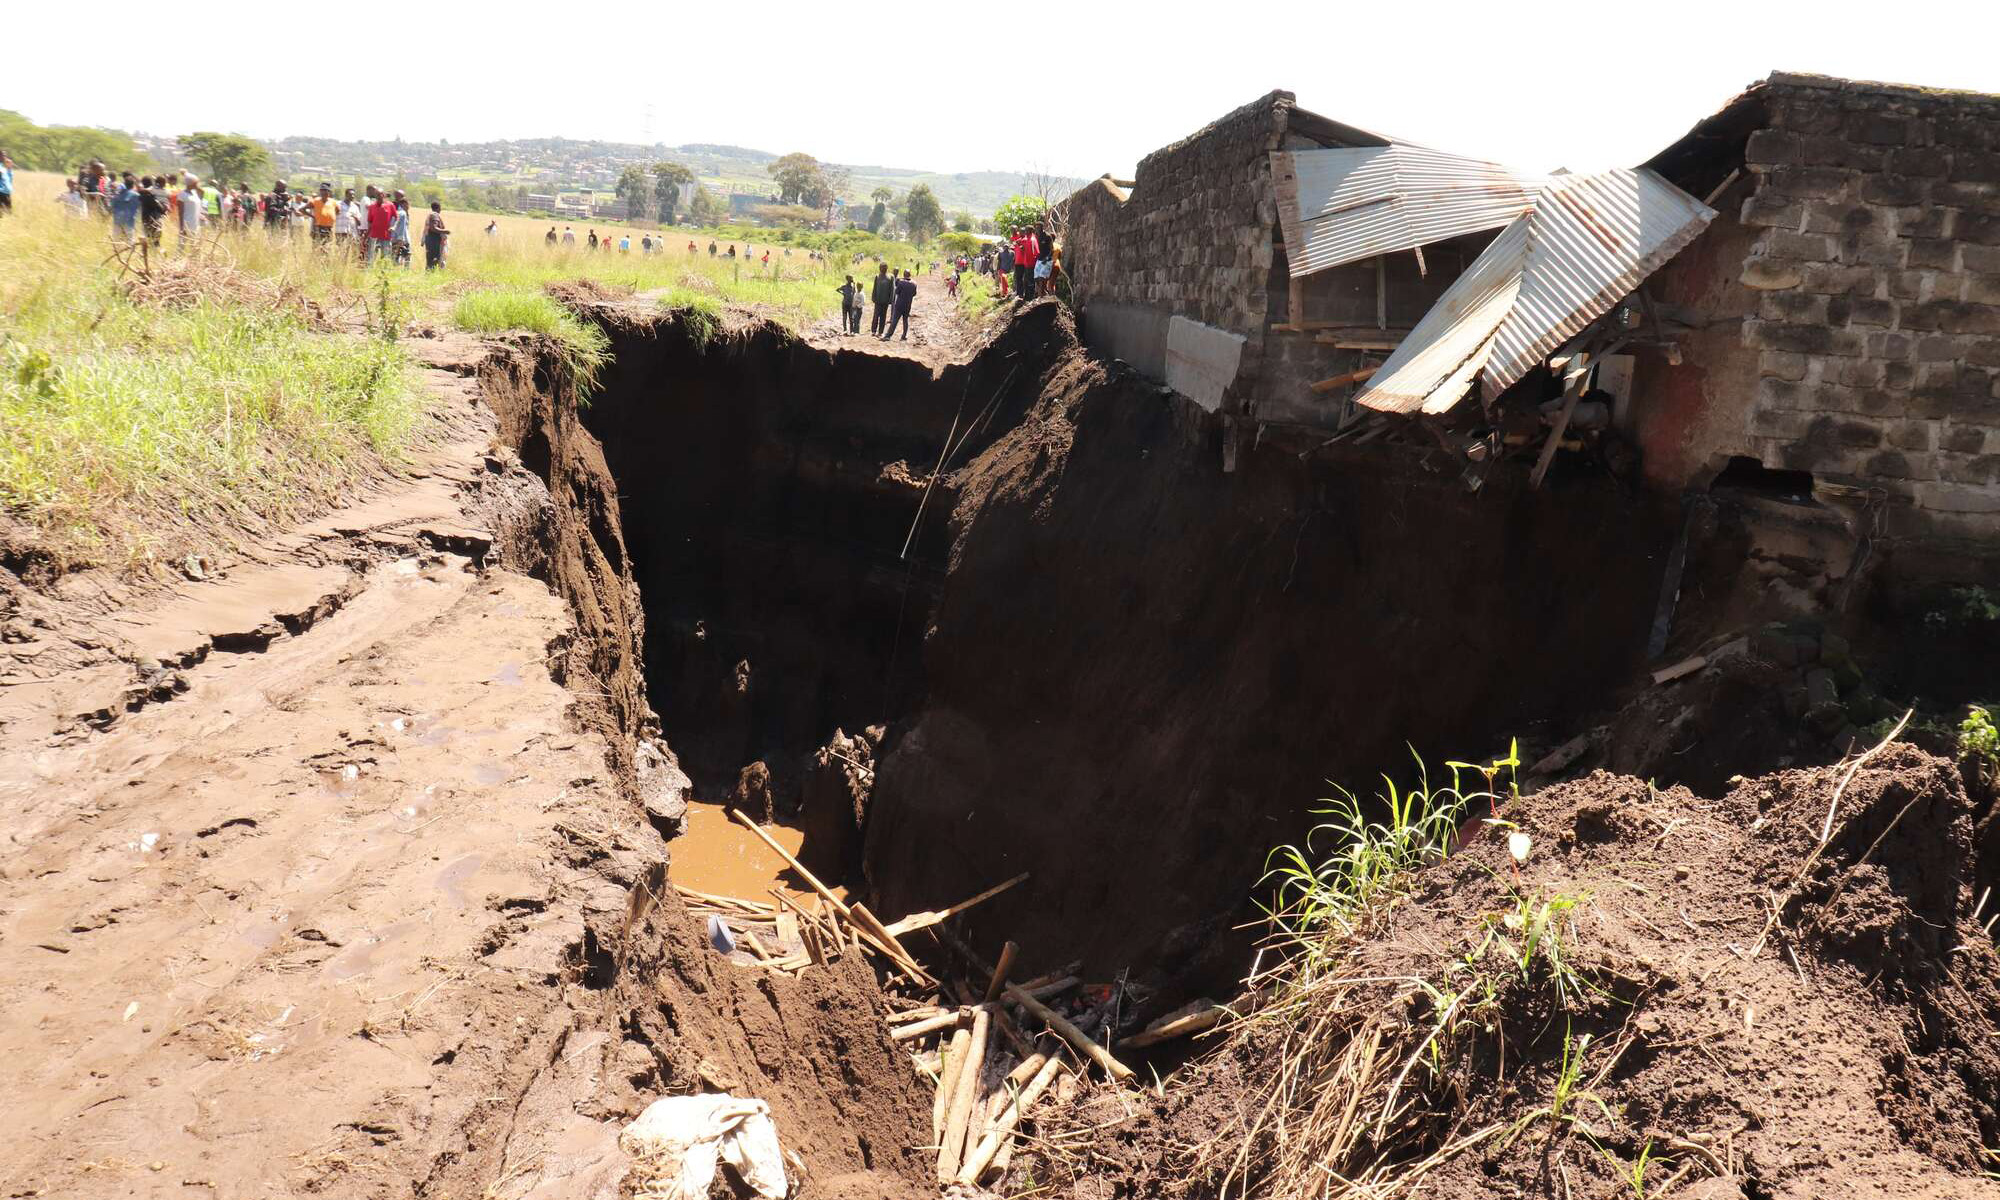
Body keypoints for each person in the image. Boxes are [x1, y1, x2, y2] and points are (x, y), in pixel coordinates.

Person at [365, 187, 395, 264]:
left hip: (386, 236)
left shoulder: (390, 205)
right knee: (371, 256)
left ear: (384, 195)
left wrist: (393, 226)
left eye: (380, 194)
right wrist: (368, 234)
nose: (379, 196)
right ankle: (369, 273)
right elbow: (369, 221)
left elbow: (395, 217)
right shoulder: (372, 207)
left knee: (385, 257)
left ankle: (384, 273)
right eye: (377, 195)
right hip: (374, 236)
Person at [884, 269, 916, 340]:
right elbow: (914, 294)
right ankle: (904, 336)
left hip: (899, 305)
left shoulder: (901, 282)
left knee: (895, 320)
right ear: (910, 275)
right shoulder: (914, 284)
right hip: (908, 305)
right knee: (905, 320)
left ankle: (888, 336)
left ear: (904, 275)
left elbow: (897, 292)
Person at [110, 172, 141, 240]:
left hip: (117, 220)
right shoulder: (136, 196)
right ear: (133, 185)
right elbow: (140, 207)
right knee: (130, 240)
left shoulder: (118, 195)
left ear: (124, 184)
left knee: (116, 240)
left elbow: (112, 205)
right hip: (129, 221)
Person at [137, 176, 168, 244]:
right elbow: (159, 207)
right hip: (155, 215)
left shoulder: (141, 195)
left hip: (149, 216)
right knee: (154, 233)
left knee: (147, 234)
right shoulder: (152, 193)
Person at [177, 174, 204, 248]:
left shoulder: (195, 193)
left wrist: (197, 187)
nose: (197, 184)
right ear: (191, 183)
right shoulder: (182, 195)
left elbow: (202, 193)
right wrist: (182, 228)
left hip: (196, 224)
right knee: (181, 248)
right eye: (196, 183)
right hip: (187, 225)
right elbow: (180, 212)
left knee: (195, 248)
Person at [309, 183, 338, 247]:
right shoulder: (315, 201)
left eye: (327, 191)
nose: (325, 193)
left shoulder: (333, 202)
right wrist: (313, 217)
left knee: (327, 247)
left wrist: (331, 217)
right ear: (320, 192)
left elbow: (337, 211)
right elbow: (303, 210)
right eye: (323, 191)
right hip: (318, 227)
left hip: (329, 228)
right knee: (317, 247)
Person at [869, 262, 894, 337]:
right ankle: (873, 331)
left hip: (885, 300)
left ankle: (880, 332)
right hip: (878, 300)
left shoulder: (890, 277)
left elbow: (892, 289)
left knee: (883, 316)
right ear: (879, 268)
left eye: (885, 267)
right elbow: (874, 288)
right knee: (876, 316)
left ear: (887, 268)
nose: (884, 268)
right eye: (882, 267)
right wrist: (873, 297)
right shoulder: (877, 276)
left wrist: (891, 300)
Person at [422, 201, 449, 269]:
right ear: (439, 208)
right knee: (435, 259)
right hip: (434, 241)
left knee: (430, 260)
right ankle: (431, 275)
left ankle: (429, 275)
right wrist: (445, 231)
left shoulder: (430, 215)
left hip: (430, 240)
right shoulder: (435, 215)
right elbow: (433, 228)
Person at [390, 196, 412, 267]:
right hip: (402, 240)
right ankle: (405, 273)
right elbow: (402, 227)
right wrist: (400, 239)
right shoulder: (403, 213)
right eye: (408, 204)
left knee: (394, 257)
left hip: (394, 238)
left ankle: (394, 271)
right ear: (404, 204)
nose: (409, 206)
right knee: (407, 257)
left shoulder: (397, 212)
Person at [0, 149, 13, 218]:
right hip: (0, 193)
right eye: (3, 155)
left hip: (7, 192)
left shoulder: (5, 168)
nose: (4, 157)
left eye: (5, 155)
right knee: (1, 214)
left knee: (9, 213)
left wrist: (9, 168)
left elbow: (9, 179)